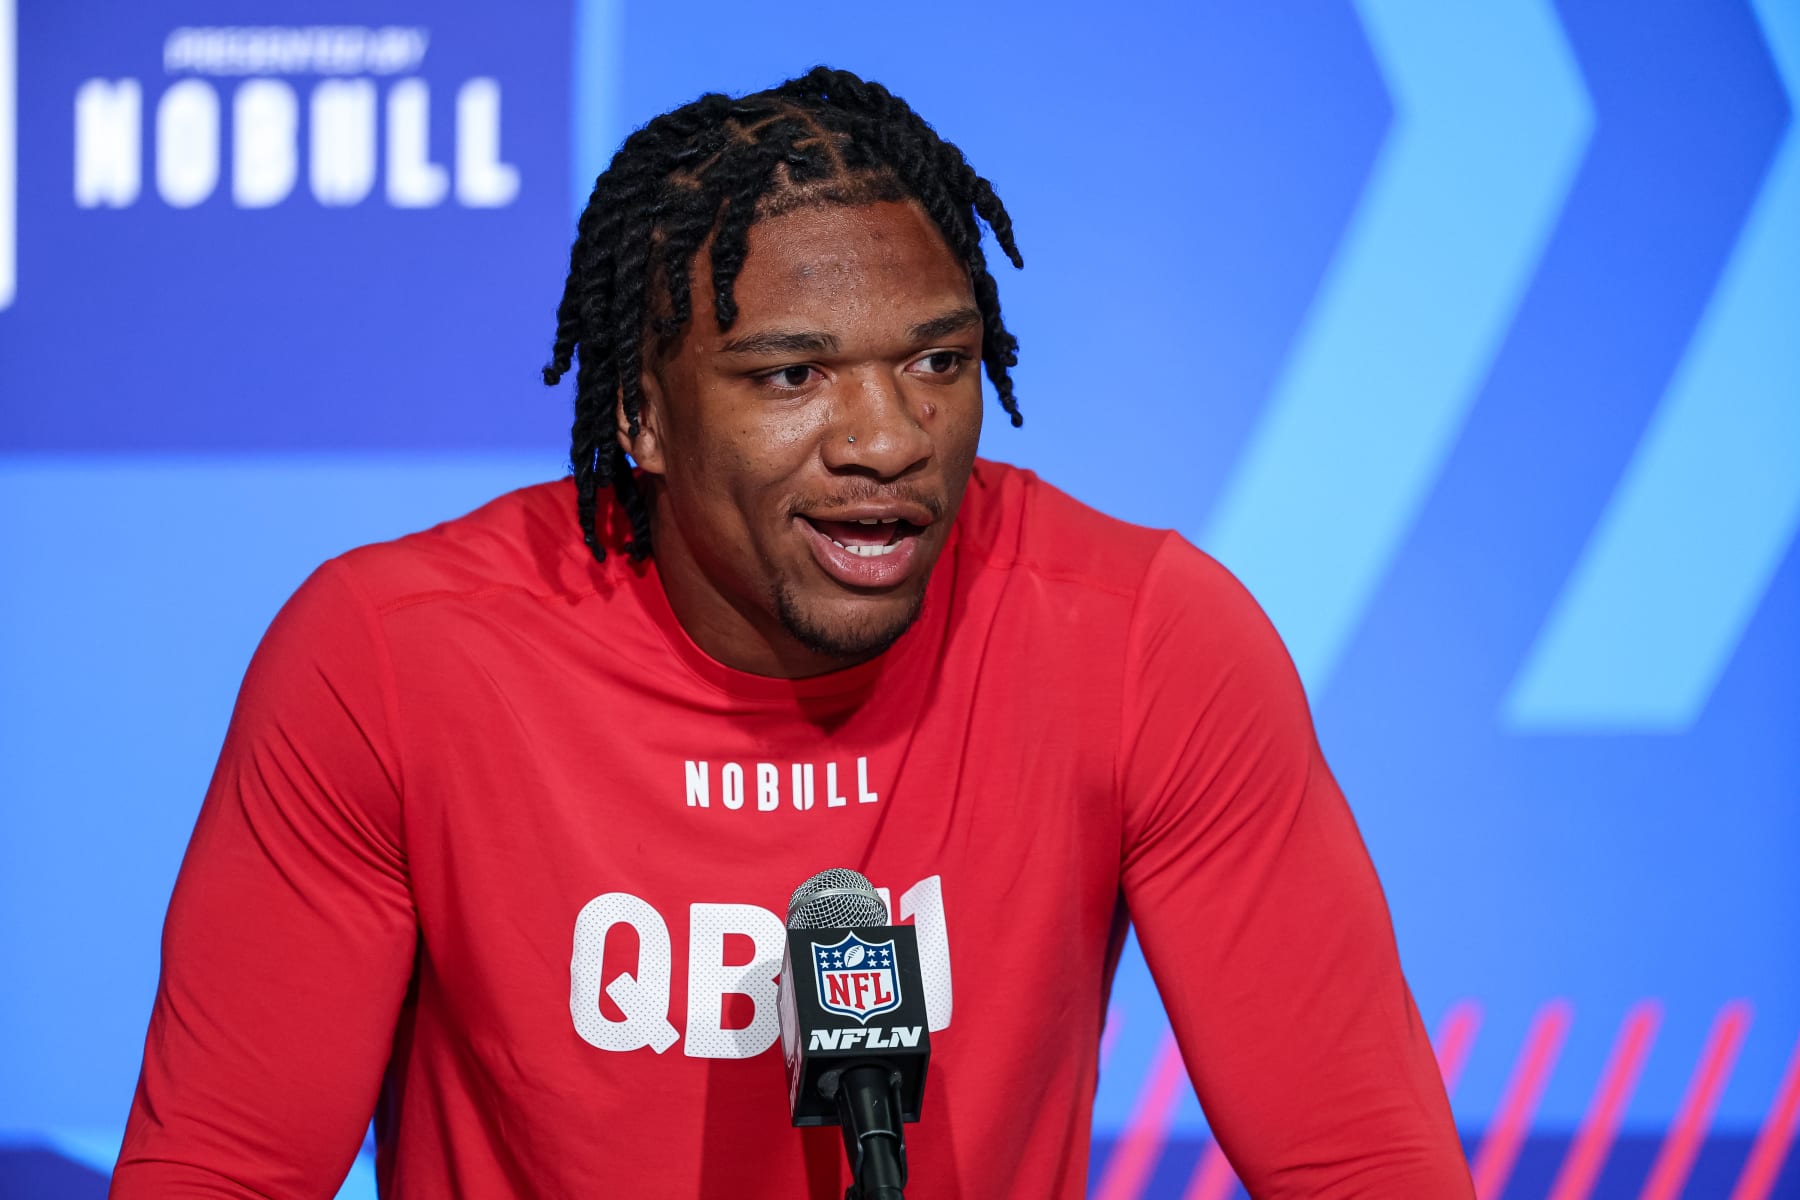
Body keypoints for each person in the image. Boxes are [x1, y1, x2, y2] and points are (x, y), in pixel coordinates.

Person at [112, 67, 1473, 1198]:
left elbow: (1361, 1163)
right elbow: (224, 1170)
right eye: (792, 375)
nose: (890, 440)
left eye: (937, 363)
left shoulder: (1143, 645)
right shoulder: (394, 661)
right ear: (641, 417)